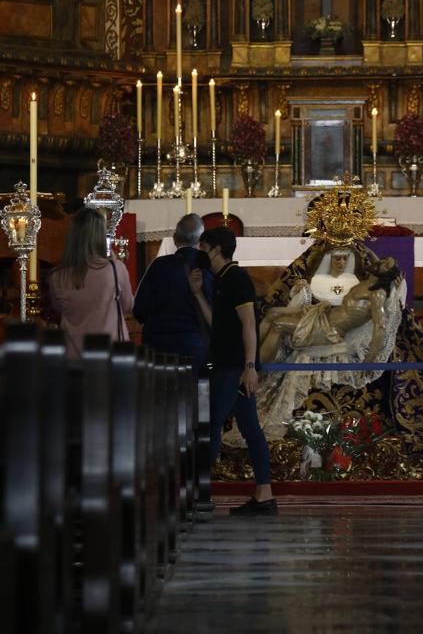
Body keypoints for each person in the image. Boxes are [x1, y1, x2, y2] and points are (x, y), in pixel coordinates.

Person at [188, 225, 277, 516]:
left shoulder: (236, 278)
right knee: (250, 428)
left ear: (216, 249)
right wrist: (198, 294)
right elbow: (219, 323)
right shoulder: (222, 279)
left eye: (203, 248)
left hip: (234, 366)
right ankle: (264, 495)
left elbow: (249, 323)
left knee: (213, 423)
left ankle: (200, 492)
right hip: (230, 364)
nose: (200, 253)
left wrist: (250, 366)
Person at [260, 256, 402, 363]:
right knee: (272, 313)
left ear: (388, 274)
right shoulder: (365, 284)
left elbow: (380, 326)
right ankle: (251, 355)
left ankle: (257, 369)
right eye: (384, 260)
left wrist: (370, 360)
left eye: (386, 265)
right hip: (322, 315)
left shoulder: (377, 294)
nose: (381, 262)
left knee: (278, 325)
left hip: (328, 330)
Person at [49, 206, 133, 358]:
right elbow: (127, 305)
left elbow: (58, 308)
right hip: (110, 354)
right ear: (100, 236)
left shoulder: (57, 275)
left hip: (73, 355)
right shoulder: (115, 269)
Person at [133, 213, 213, 373]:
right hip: (194, 344)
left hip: (157, 346)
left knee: (159, 388)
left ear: (175, 239)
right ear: (200, 241)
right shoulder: (206, 265)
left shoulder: (158, 265)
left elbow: (140, 310)